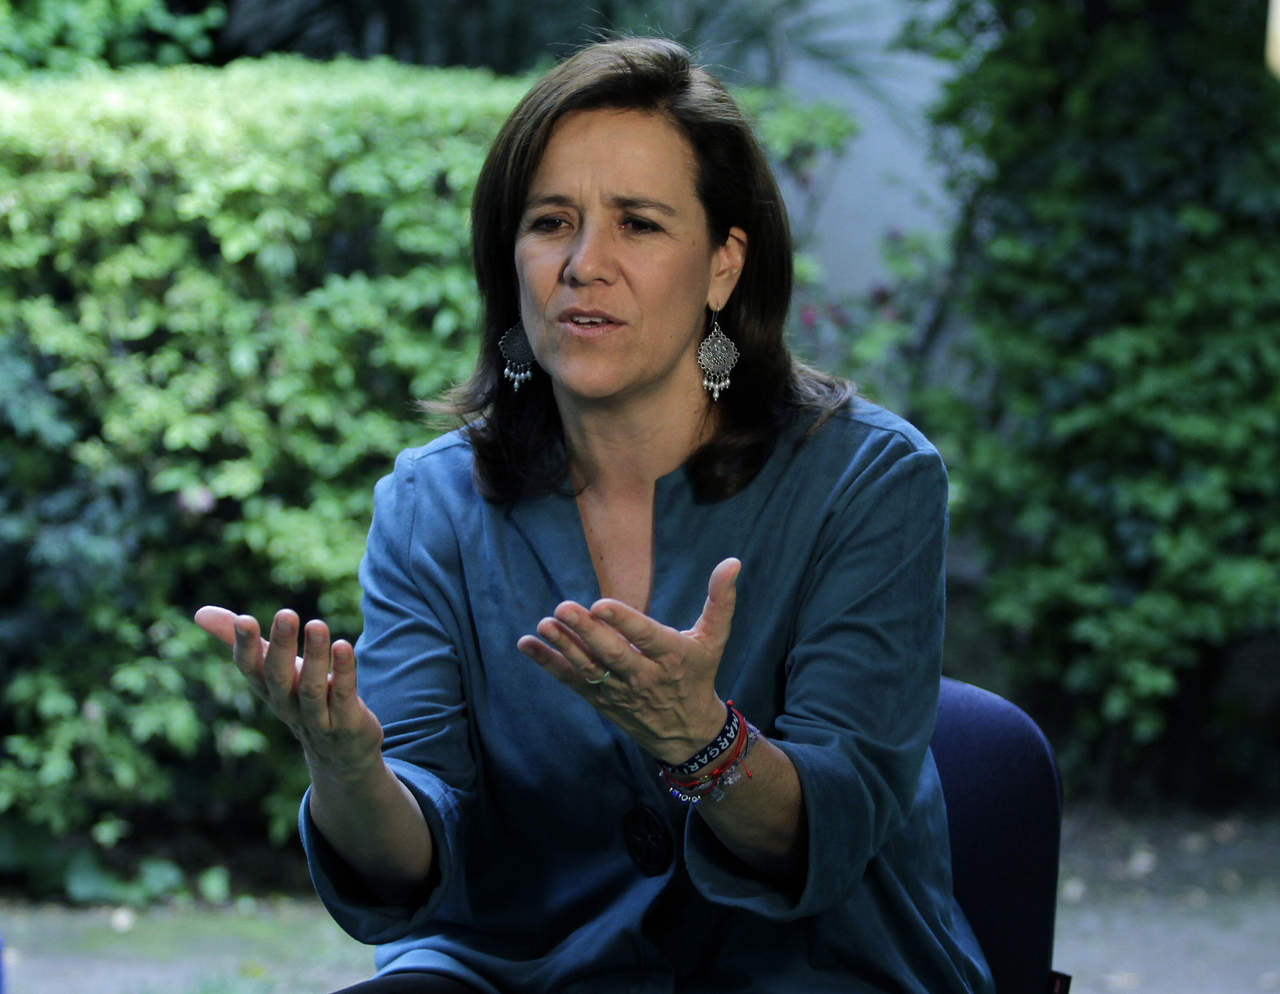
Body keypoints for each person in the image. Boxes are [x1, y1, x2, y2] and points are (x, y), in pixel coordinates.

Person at [195, 37, 995, 994]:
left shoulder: (869, 478)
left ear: (723, 266)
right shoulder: (431, 503)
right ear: (511, 257)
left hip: (809, 971)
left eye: (639, 224)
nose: (584, 265)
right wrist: (349, 769)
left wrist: (703, 739)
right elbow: (408, 860)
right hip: (516, 974)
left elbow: (833, 828)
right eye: (551, 222)